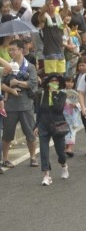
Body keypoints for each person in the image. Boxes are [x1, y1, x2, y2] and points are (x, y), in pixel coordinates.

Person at [1, 39, 38, 169]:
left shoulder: (30, 66)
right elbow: (1, 84)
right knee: (7, 134)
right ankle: (5, 159)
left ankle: (33, 157)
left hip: (26, 104)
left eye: (13, 49)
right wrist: (10, 89)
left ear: (21, 50)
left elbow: (33, 83)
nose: (11, 52)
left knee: (30, 133)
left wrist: (17, 83)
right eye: (9, 50)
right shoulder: (7, 67)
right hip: (10, 105)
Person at [35, 73, 70, 186]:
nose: (54, 82)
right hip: (43, 125)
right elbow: (38, 112)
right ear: (48, 82)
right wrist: (36, 126)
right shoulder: (41, 95)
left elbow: (58, 109)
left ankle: (64, 165)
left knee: (60, 150)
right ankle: (46, 175)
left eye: (56, 81)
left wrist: (54, 93)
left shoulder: (62, 95)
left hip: (58, 124)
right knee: (44, 151)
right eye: (52, 80)